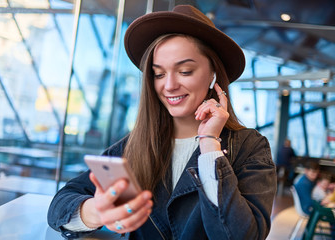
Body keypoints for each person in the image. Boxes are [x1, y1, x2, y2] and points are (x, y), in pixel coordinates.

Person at [47, 5, 277, 240]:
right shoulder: (133, 146)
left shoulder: (249, 147)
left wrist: (209, 146)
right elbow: (60, 205)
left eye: (185, 71)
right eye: (158, 74)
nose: (169, 86)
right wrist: (96, 211)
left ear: (213, 75)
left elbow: (245, 235)